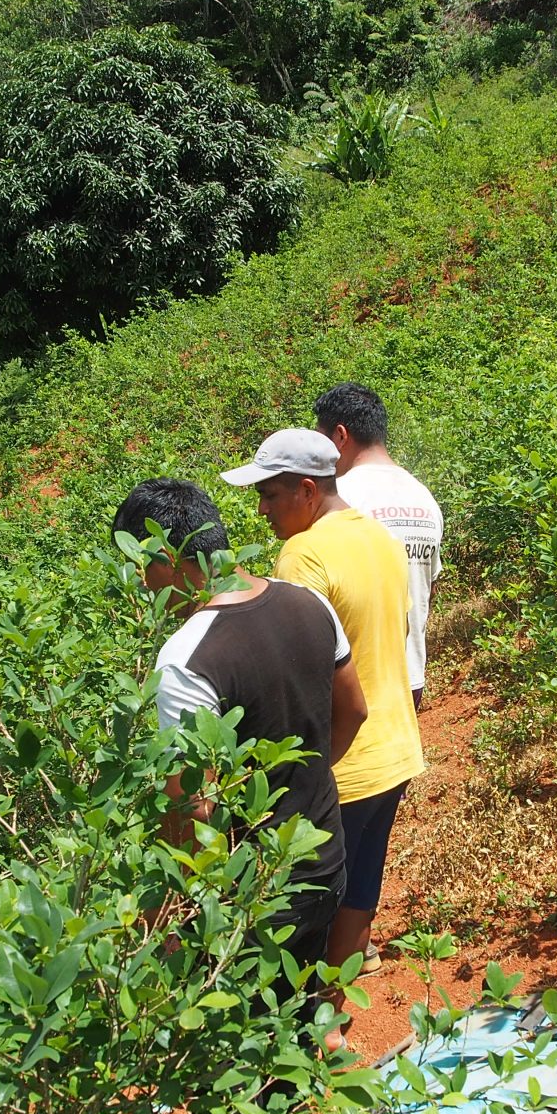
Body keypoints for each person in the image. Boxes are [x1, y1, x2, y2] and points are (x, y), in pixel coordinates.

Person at [113, 477, 367, 1013]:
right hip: (325, 857)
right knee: (298, 1015)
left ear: (168, 559)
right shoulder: (309, 602)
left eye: (140, 565)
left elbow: (193, 808)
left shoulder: (186, 658)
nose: (139, 582)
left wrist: (176, 912)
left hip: (252, 896)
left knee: (243, 1039)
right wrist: (304, 778)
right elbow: (354, 710)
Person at [220, 430, 423, 1009]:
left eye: (270, 495)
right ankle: (331, 1018)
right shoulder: (380, 538)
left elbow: (300, 669)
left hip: (343, 759)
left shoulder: (303, 555)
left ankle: (297, 1027)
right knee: (359, 892)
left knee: (306, 906)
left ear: (307, 491)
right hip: (395, 749)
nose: (262, 510)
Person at [315, 382, 444, 709]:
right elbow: (428, 590)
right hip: (409, 678)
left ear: (340, 436)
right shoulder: (424, 497)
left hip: (353, 683)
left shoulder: (339, 497)